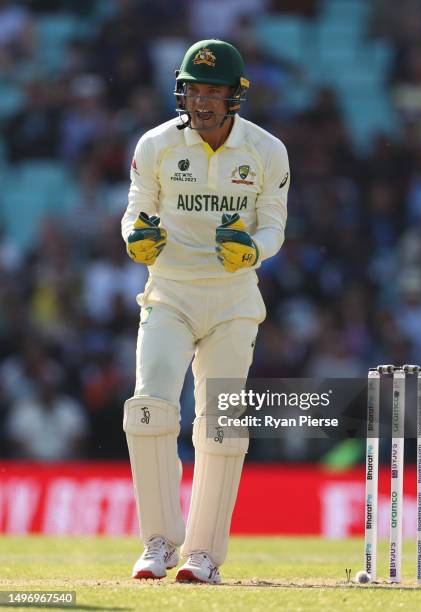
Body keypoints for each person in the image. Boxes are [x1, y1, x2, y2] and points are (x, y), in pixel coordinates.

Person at [121, 39, 289, 584]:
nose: (202, 101)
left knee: (220, 423)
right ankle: (160, 542)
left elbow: (272, 225)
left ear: (235, 94)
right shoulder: (155, 146)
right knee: (148, 406)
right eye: (195, 88)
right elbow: (135, 214)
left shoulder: (266, 151)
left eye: (214, 90)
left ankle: (204, 554)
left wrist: (254, 251)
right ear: (182, 90)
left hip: (234, 298)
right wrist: (135, 239)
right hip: (168, 290)